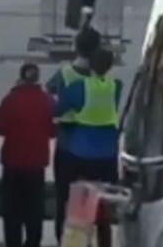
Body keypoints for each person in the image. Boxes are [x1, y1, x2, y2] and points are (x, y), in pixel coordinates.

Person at [56, 49, 122, 247]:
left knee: (78, 210)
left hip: (80, 154)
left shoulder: (79, 87)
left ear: (90, 65)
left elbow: (58, 109)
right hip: (108, 156)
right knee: (103, 211)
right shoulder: (116, 86)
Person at [45, 28, 100, 241]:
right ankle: (81, 242)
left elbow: (48, 93)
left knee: (63, 200)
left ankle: (63, 240)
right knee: (86, 201)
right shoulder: (101, 77)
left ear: (76, 47)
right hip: (91, 148)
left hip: (66, 145)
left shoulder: (65, 73)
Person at [0, 64, 54, 247]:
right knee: (34, 212)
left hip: (12, 163)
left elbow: (0, 128)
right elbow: (53, 131)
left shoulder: (10, 99)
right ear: (37, 78)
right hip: (37, 164)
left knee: (12, 214)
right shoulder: (47, 101)